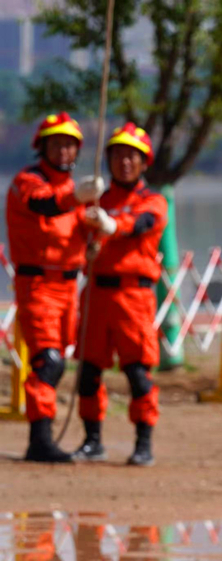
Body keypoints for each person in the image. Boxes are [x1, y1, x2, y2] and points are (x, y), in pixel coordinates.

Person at [7, 112, 104, 463]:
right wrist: (78, 196)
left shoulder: (77, 192)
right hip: (37, 284)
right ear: (43, 147)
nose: (63, 150)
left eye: (69, 144)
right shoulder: (27, 181)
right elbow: (44, 204)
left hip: (68, 288)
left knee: (60, 361)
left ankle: (71, 437)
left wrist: (97, 235)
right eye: (57, 143)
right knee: (46, 361)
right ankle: (39, 440)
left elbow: (84, 231)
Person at [72, 123, 167, 467]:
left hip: (133, 297)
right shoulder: (97, 201)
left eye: (131, 156)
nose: (124, 162)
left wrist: (113, 225)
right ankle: (92, 441)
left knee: (138, 374)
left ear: (143, 162)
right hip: (96, 294)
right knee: (88, 373)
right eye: (118, 155)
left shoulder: (152, 200)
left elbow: (143, 224)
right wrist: (78, 202)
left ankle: (143, 443)